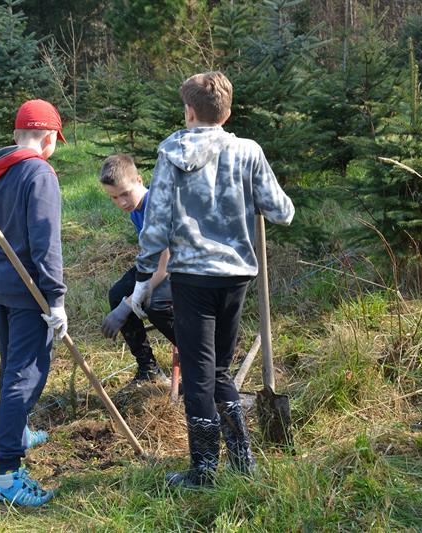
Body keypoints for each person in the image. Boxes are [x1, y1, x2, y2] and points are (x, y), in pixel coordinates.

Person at [129, 71, 294, 488]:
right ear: (228, 111)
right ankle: (241, 460)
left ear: (188, 111)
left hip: (192, 279)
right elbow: (283, 211)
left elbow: (157, 222)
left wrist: (143, 275)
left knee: (201, 375)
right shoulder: (249, 152)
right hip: (236, 276)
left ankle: (203, 471)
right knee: (219, 369)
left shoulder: (171, 154)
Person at [0, 99, 68, 507]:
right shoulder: (39, 173)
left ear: (16, 135)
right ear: (48, 139)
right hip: (29, 292)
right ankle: (8, 474)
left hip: (2, 284)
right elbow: (46, 240)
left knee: (11, 367)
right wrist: (56, 298)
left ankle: (20, 430)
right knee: (24, 376)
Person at [99, 154, 175, 385]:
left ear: (139, 181)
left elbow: (164, 269)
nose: (122, 202)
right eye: (114, 197)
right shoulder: (136, 209)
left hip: (183, 269)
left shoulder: (157, 207)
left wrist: (128, 304)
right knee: (116, 293)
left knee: (154, 305)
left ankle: (200, 358)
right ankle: (148, 368)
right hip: (156, 265)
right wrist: (125, 299)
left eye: (125, 193)